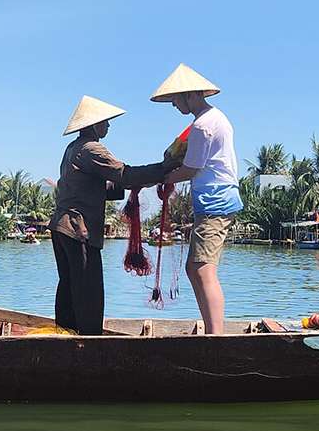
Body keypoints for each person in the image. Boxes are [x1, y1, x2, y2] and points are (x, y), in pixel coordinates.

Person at [49, 95, 177, 335]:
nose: (108, 126)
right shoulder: (91, 149)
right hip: (77, 230)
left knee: (69, 288)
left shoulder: (73, 149)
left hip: (61, 228)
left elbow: (97, 187)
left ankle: (65, 337)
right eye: (105, 121)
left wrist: (134, 184)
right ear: (94, 124)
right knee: (88, 292)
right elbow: (124, 174)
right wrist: (163, 169)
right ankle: (89, 344)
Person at [151, 63, 243, 334]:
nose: (173, 105)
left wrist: (163, 178)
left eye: (175, 99)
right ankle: (212, 330)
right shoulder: (215, 118)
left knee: (203, 269)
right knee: (195, 268)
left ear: (190, 95)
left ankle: (216, 336)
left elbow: (191, 169)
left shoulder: (203, 126)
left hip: (216, 200)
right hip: (214, 199)